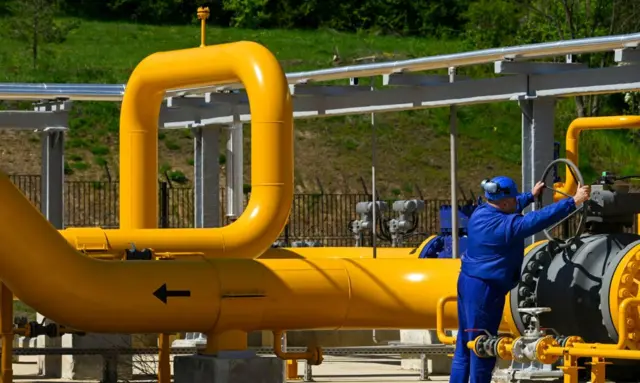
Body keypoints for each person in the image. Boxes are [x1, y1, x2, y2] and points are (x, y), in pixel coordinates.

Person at [450, 175, 590, 383]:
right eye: (515, 200)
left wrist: (530, 197)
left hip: (469, 283)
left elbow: (511, 207)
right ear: (505, 202)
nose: (517, 202)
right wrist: (573, 201)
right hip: (484, 291)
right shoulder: (505, 225)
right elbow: (537, 220)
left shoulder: (482, 212)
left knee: (465, 345)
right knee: (482, 347)